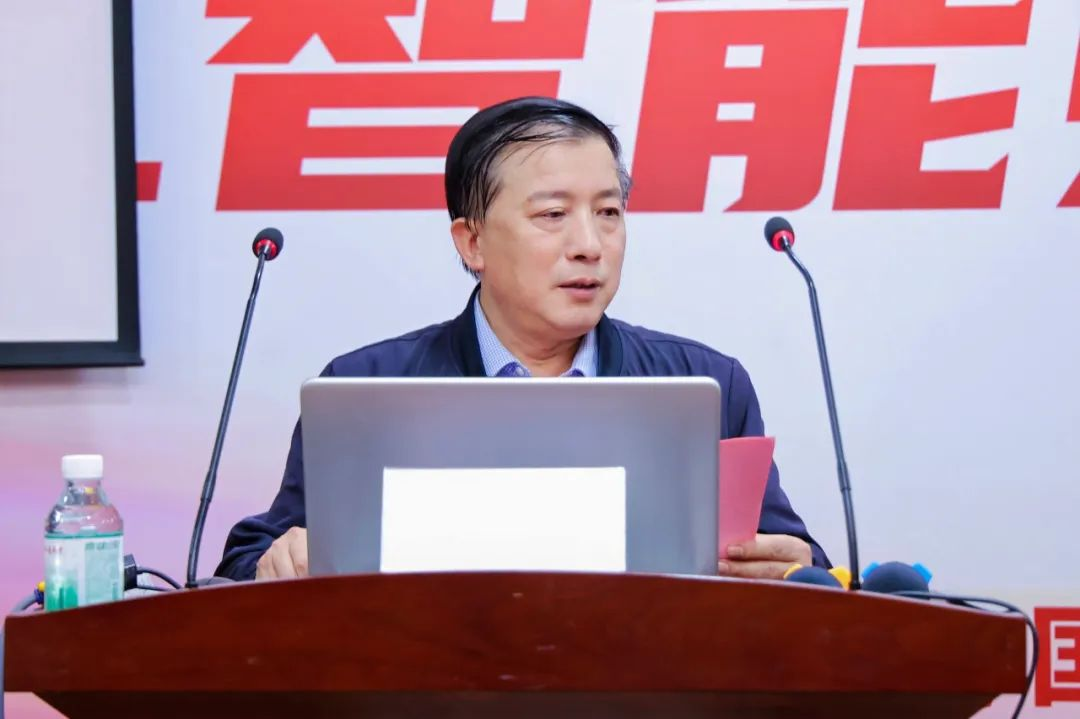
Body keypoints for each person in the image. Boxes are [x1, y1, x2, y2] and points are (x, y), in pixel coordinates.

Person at [216, 96, 828, 582]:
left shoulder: (706, 386)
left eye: (609, 213)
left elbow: (799, 563)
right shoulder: (367, 388)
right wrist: (278, 561)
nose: (589, 244)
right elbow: (250, 557)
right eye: (552, 215)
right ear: (473, 242)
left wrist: (792, 568)